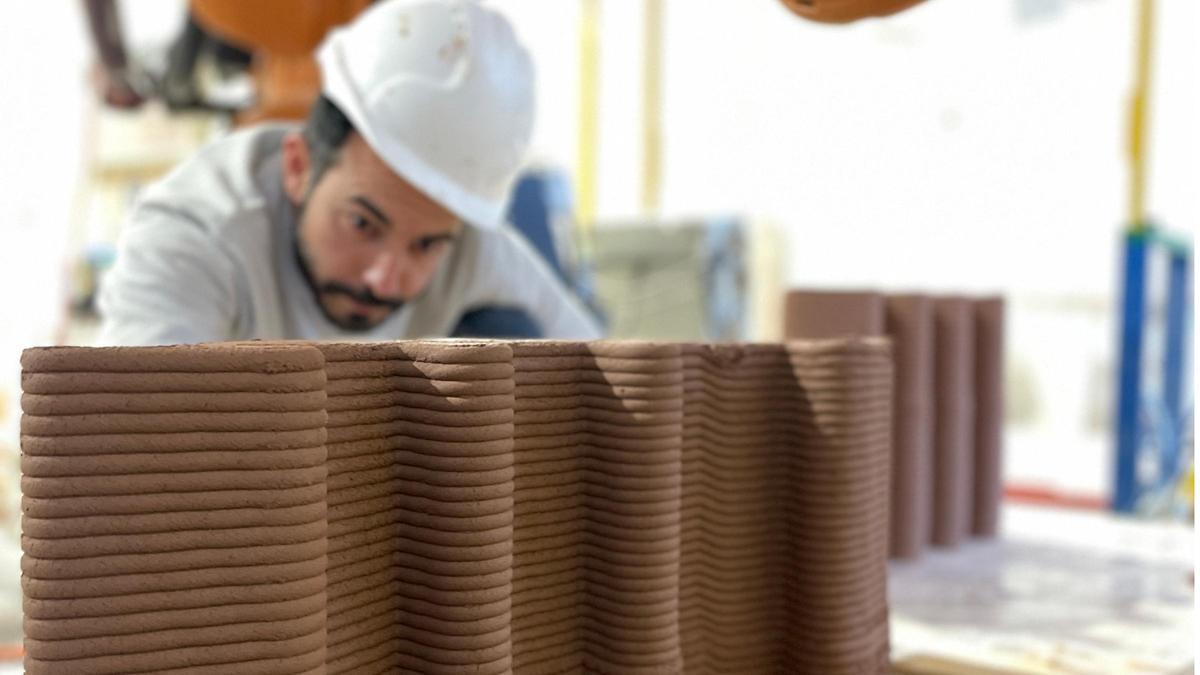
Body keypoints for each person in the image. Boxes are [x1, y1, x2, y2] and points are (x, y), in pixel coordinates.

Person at [96, 0, 603, 345]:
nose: (385, 280)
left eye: (425, 246)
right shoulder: (198, 238)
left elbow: (607, 369)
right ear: (298, 167)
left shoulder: (463, 244)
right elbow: (128, 451)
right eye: (363, 224)